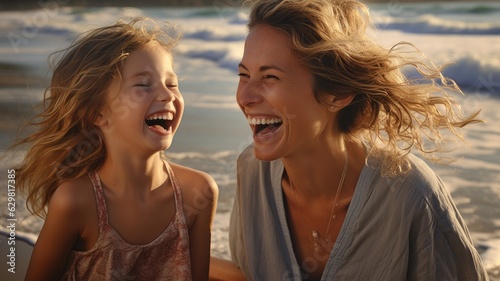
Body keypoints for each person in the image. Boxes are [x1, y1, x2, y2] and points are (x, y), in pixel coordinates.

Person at [211, 0, 490, 280]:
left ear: (338, 93)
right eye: (243, 75)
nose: (245, 97)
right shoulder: (251, 171)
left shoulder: (409, 195)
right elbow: (249, 274)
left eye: (270, 77)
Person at [15, 17, 218, 281]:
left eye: (172, 84)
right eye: (143, 85)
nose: (167, 95)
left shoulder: (198, 192)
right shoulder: (75, 201)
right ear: (97, 114)